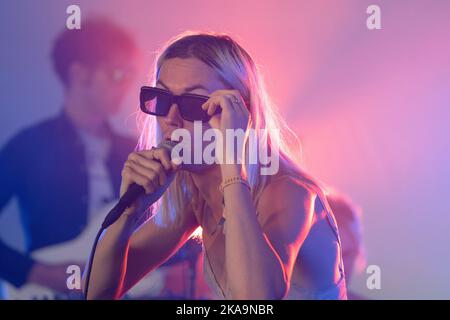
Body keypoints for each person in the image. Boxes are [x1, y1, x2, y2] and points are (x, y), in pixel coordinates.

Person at [86, 31, 347, 300]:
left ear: (240, 114)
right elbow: (96, 294)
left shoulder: (289, 192)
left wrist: (231, 163)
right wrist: (128, 213)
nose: (171, 119)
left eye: (193, 104)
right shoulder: (195, 198)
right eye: (162, 100)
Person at [0, 18, 138, 297]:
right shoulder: (28, 146)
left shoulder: (136, 150)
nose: (125, 85)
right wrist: (36, 272)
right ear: (80, 75)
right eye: (116, 74)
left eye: (129, 75)